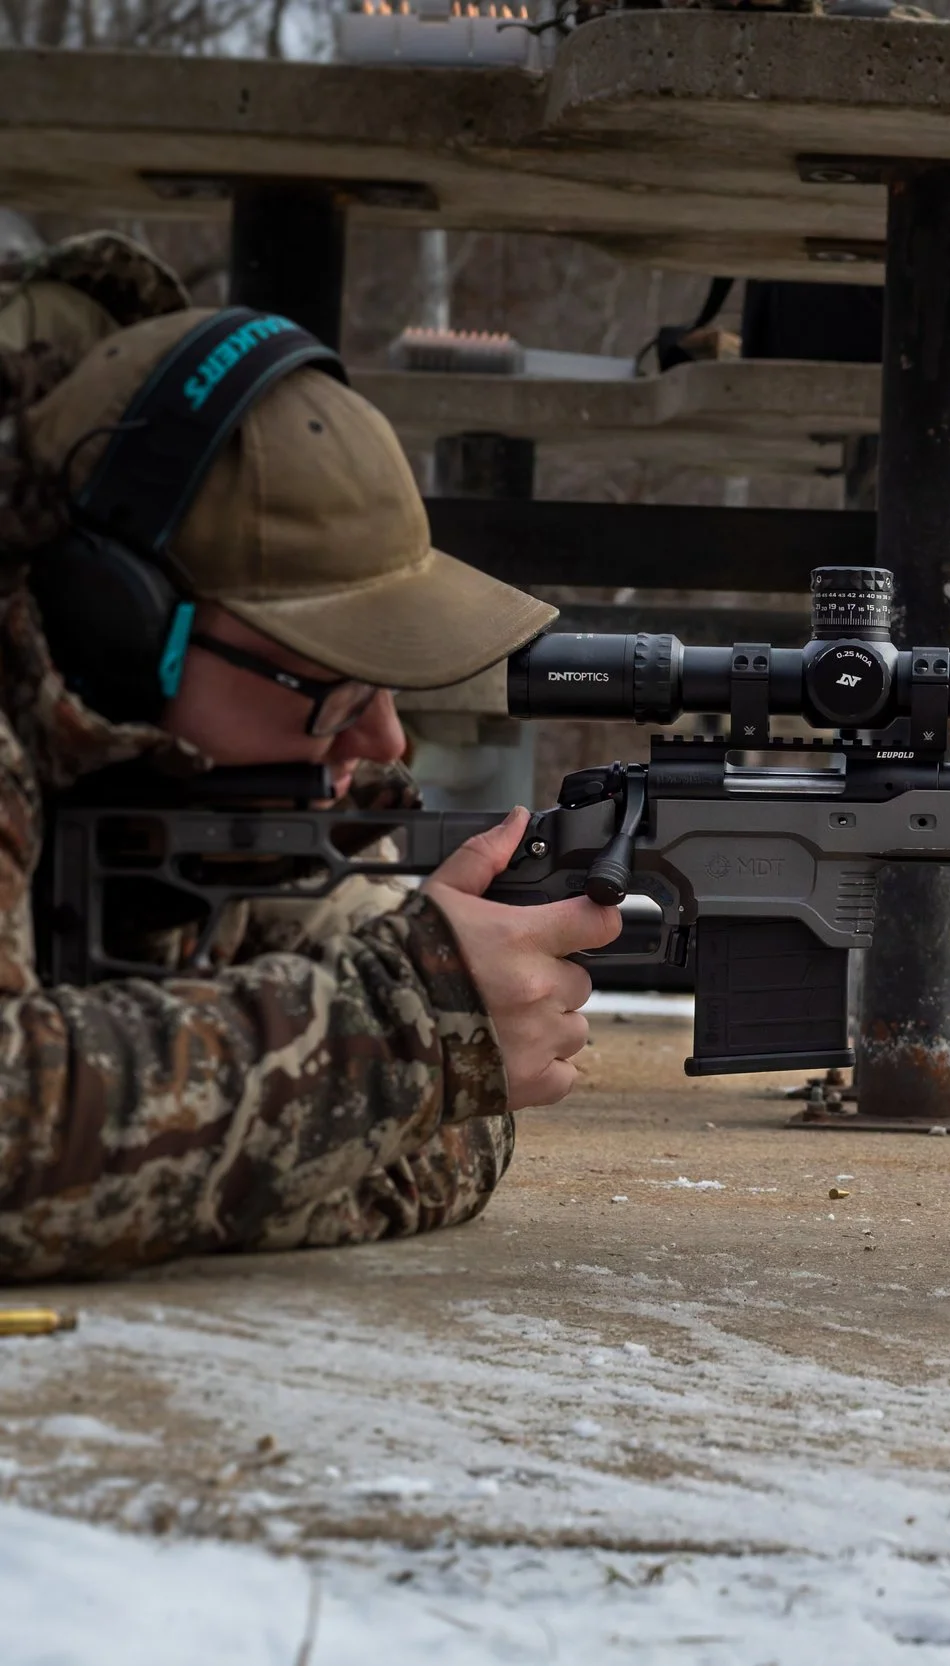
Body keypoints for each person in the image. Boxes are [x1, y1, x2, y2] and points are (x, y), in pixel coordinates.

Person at [0, 258, 619, 1281]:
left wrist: (145, 1169)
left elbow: (452, 1142)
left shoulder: (235, 773)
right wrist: (401, 1036)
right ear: (116, 622)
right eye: (331, 692)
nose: (382, 743)